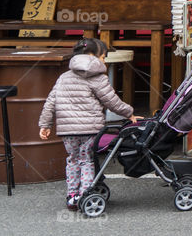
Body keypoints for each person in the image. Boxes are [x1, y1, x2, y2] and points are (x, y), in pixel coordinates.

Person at [38, 38, 139, 210]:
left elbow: (50, 102)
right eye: (103, 57)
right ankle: (86, 194)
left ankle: (72, 196)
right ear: (92, 55)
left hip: (67, 130)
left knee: (73, 160)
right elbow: (111, 101)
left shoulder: (64, 77)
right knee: (86, 160)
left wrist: (45, 124)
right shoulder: (98, 77)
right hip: (90, 129)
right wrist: (129, 113)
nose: (104, 61)